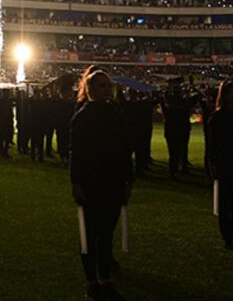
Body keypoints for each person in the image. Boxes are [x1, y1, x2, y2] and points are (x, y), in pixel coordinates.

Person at [69, 69, 132, 300]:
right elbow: (76, 152)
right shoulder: (83, 116)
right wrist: (76, 182)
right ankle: (91, 279)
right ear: (90, 89)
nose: (107, 90)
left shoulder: (117, 113)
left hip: (113, 180)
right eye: (102, 86)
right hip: (90, 181)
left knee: (106, 233)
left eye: (108, 86)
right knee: (90, 233)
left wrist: (128, 180)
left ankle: (104, 278)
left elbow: (125, 150)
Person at [206, 81, 233, 250]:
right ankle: (229, 237)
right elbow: (213, 144)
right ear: (226, 96)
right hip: (225, 163)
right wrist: (213, 164)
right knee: (226, 203)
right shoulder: (218, 117)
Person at [161, 81, 192, 180]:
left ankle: (173, 172)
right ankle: (182, 168)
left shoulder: (169, 107)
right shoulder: (183, 105)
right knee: (182, 150)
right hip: (181, 130)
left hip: (171, 131)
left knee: (173, 153)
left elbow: (163, 101)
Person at [121, 89, 154, 174]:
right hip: (138, 132)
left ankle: (129, 169)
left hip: (129, 132)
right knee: (139, 152)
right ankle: (139, 169)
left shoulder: (127, 104)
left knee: (129, 153)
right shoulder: (140, 104)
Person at [52, 74, 77, 165]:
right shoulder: (61, 102)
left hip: (66, 124)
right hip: (63, 124)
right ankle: (64, 157)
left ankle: (65, 156)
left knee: (65, 141)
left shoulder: (63, 101)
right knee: (63, 140)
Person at [0, 87, 15, 158]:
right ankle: (3, 151)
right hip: (5, 121)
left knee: (3, 137)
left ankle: (3, 151)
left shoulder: (3, 101)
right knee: (4, 137)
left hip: (3, 121)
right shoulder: (5, 101)